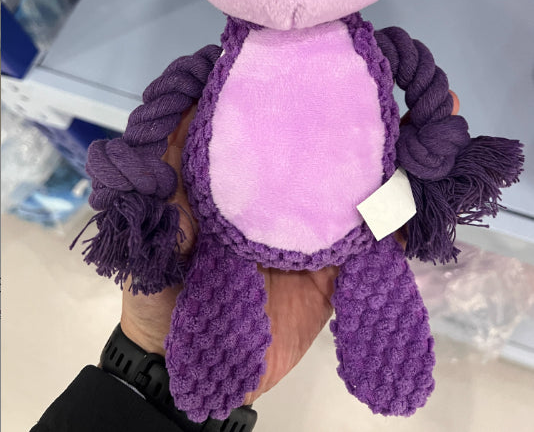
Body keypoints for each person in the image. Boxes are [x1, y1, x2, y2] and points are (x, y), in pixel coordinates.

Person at [31, 93, 459, 431]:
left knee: (365, 243)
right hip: (252, 235)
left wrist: (147, 360)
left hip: (246, 232)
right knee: (369, 239)